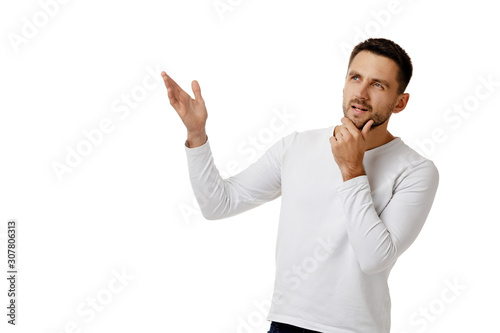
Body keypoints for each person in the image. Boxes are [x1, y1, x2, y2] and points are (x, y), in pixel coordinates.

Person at [161, 38, 439, 333]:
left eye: (378, 85)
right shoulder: (297, 146)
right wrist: (196, 134)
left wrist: (352, 169)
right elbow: (218, 204)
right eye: (355, 77)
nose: (361, 93)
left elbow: (374, 258)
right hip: (286, 324)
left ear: (400, 102)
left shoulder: (416, 171)